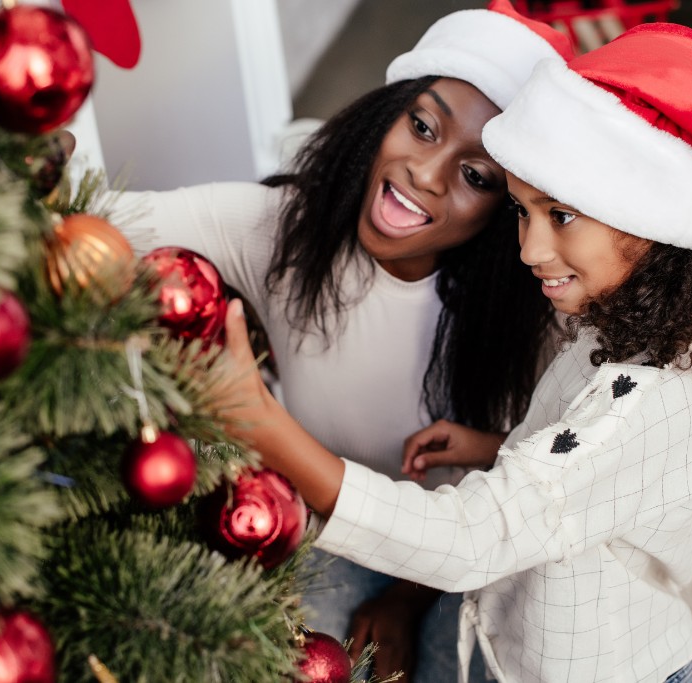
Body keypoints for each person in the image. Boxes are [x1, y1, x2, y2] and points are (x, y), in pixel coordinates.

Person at [210, 22, 692, 683]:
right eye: (521, 210)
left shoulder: (642, 398)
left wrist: (269, 431)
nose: (530, 250)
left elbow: (474, 537)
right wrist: (496, 447)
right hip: (510, 635)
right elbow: (597, 469)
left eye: (561, 215)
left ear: (655, 223)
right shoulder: (634, 317)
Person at [112, 2, 574, 679]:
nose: (426, 172)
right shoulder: (282, 226)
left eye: (476, 176)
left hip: (458, 549)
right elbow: (112, 223)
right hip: (317, 517)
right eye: (421, 125)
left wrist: (408, 600)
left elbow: (530, 493)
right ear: (383, 114)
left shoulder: (531, 306)